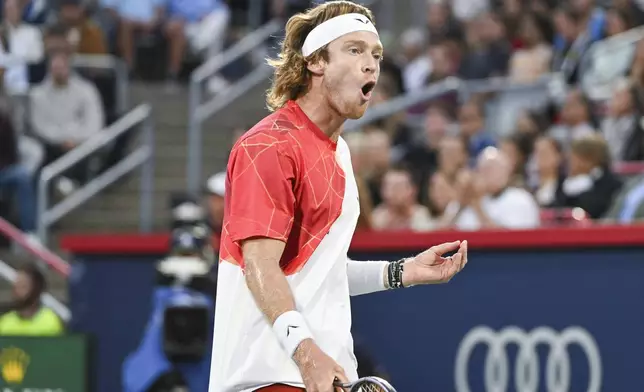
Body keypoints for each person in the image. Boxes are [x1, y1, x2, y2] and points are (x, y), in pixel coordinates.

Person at [209, 2, 469, 392]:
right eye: (355, 50)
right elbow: (259, 264)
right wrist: (307, 353)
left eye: (376, 54)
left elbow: (322, 274)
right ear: (316, 62)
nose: (372, 65)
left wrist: (402, 272)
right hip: (267, 378)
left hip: (323, 376)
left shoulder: (341, 154)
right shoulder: (267, 145)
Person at [0, 264, 64, 336]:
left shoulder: (50, 321)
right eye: (16, 286)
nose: (17, 291)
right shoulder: (5, 323)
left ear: (36, 288)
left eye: (23, 286)